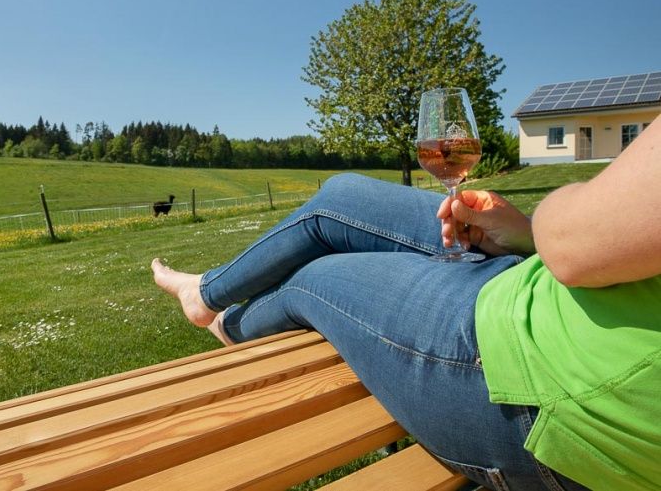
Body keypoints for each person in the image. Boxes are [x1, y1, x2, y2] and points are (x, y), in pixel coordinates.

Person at [152, 119, 661, 491]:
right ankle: (208, 292)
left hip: (543, 386)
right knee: (341, 199)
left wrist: (551, 224)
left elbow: (575, 240)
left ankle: (227, 323)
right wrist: (527, 237)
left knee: (313, 278)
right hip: (551, 290)